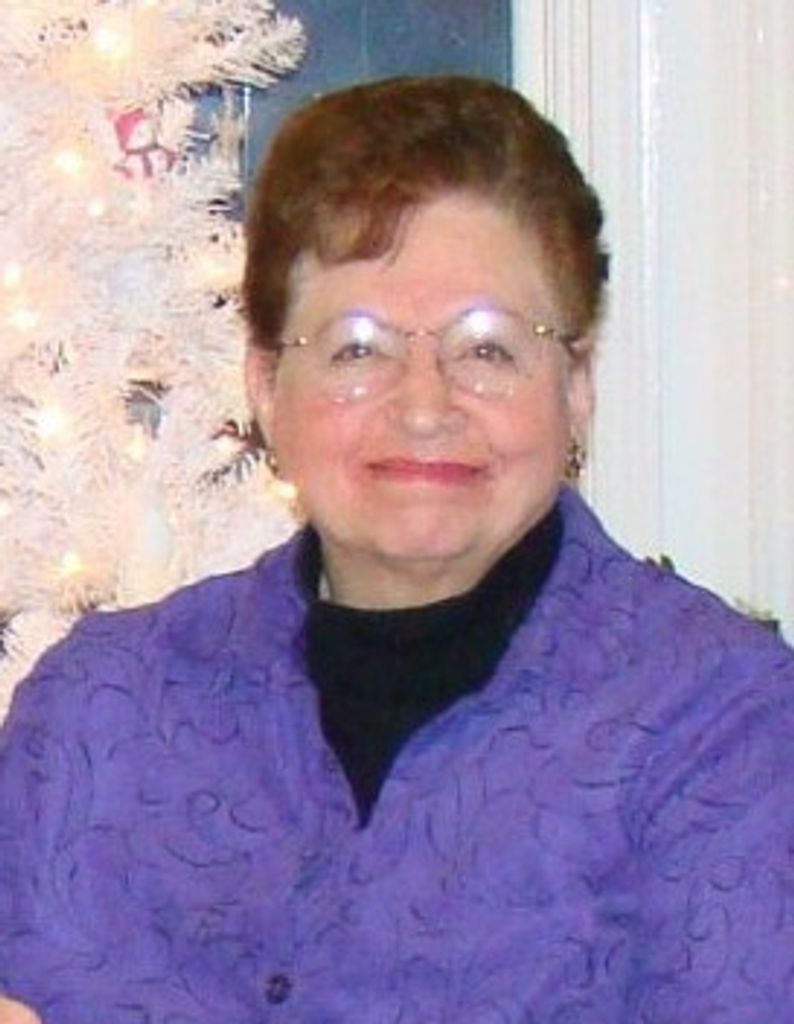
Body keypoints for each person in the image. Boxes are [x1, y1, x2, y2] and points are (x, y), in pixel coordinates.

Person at [1, 75, 793, 1024]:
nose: (423, 406)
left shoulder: (723, 725)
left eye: (488, 348)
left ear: (576, 386)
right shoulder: (97, 713)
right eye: (357, 348)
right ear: (266, 387)